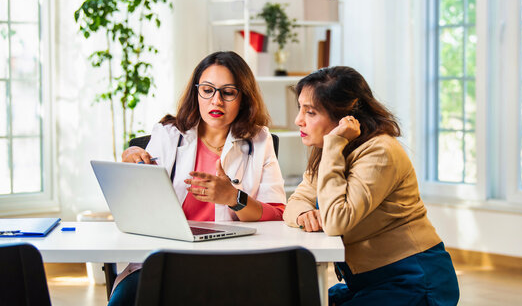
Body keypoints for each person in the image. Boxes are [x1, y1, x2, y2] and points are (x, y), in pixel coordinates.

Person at [109, 51, 286, 305]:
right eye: (207, 90)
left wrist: (233, 198)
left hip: (231, 263)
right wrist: (132, 159)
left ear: (242, 97)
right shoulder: (168, 134)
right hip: (167, 259)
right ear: (197, 93)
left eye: (228, 92)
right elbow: (140, 206)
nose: (217, 101)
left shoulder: (259, 141)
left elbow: (277, 212)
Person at [283, 66, 459, 305]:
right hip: (368, 281)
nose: (298, 120)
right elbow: (294, 202)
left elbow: (336, 221)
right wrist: (305, 214)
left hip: (414, 279)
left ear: (345, 116)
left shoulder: (379, 152)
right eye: (300, 109)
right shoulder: (330, 152)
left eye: (311, 112)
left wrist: (334, 142)